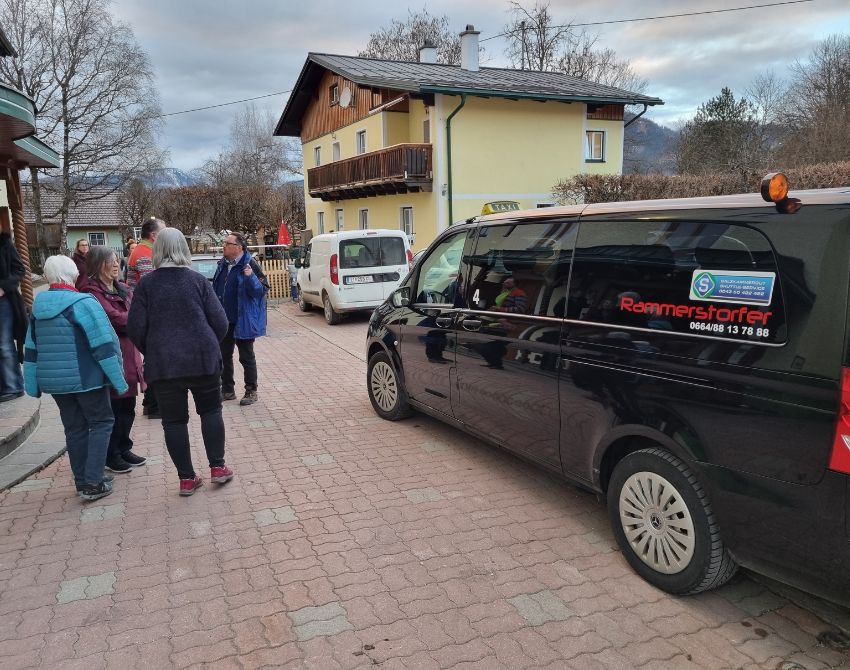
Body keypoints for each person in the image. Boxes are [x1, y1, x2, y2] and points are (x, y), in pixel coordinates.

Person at [127, 228, 234, 497]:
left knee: (173, 422)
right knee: (211, 412)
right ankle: (217, 468)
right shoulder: (197, 281)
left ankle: (187, 478)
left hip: (164, 364)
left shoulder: (146, 286)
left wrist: (153, 349)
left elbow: (135, 328)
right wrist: (208, 342)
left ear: (157, 251)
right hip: (202, 360)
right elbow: (220, 322)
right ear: (183, 249)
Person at [23, 255, 128, 501]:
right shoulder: (83, 303)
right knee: (101, 422)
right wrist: (118, 379)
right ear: (73, 275)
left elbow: (31, 347)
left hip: (56, 382)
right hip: (87, 377)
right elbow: (104, 345)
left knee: (75, 428)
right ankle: (93, 481)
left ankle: (83, 480)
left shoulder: (38, 307)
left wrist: (32, 384)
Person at [82, 246, 147, 474]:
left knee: (128, 404)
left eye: (117, 261)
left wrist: (134, 318)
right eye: (111, 262)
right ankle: (112, 454)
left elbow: (137, 314)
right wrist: (134, 318)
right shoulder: (91, 293)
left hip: (130, 353)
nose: (116, 265)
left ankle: (123, 446)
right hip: (110, 356)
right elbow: (115, 319)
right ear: (99, 264)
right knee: (114, 406)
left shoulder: (124, 289)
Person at [212, 232, 268, 406]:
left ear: (238, 247)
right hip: (224, 319)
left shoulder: (250, 264)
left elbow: (261, 291)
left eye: (227, 243)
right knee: (224, 355)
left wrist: (250, 277)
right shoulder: (223, 264)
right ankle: (227, 390)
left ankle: (251, 391)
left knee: (246, 356)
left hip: (242, 319)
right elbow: (216, 288)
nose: (223, 246)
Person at [127, 217, 165, 419]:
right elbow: (153, 286)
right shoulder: (145, 254)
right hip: (150, 314)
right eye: (164, 231)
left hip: (143, 311)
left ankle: (151, 403)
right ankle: (153, 404)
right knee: (154, 359)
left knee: (152, 358)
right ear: (154, 235)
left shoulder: (141, 250)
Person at [0, 231, 26, 402]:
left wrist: (4, 287)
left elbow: (19, 270)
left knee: (4, 344)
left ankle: (13, 386)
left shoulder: (4, 244)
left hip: (4, 301)